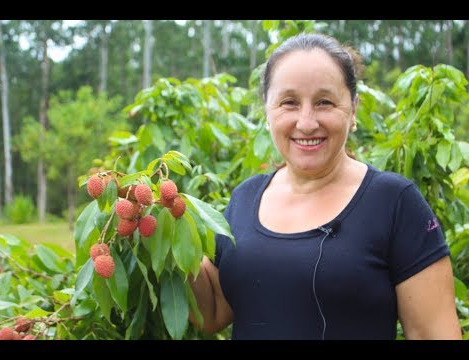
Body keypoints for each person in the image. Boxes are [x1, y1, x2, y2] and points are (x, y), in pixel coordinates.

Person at [189, 33, 462, 340]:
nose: (306, 122)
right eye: (289, 102)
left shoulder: (394, 203)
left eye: (324, 102)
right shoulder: (244, 198)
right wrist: (166, 225)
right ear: (267, 111)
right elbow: (212, 312)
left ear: (353, 109)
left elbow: (433, 333)